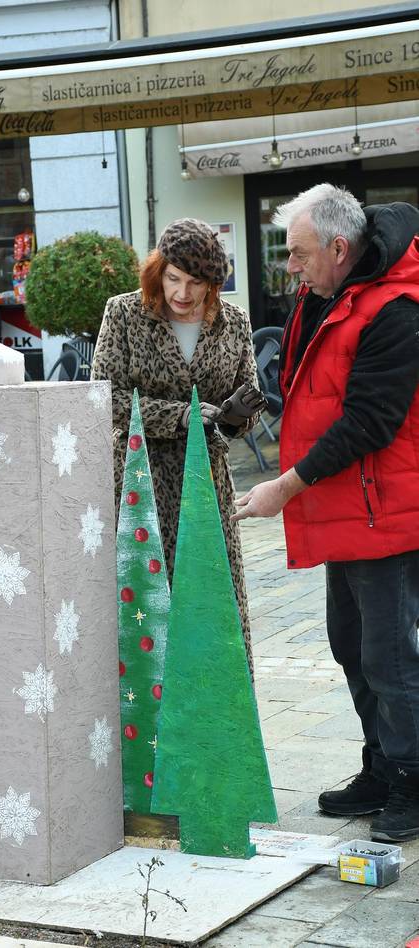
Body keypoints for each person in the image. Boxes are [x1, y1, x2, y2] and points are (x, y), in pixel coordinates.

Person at [233, 184, 419, 842]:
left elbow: (368, 422)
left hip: (387, 514)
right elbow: (303, 390)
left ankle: (411, 782)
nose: (289, 266)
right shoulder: (328, 296)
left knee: (391, 659)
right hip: (347, 511)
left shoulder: (397, 307)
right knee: (350, 647)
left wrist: (283, 487)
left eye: (298, 252)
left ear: (341, 249)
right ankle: (381, 765)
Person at [91, 218, 265, 670]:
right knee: (149, 603)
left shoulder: (234, 322)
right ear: (158, 271)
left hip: (207, 480)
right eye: (173, 278)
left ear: (213, 283)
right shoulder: (125, 313)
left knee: (212, 598)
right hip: (140, 480)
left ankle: (217, 713)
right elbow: (104, 397)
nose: (182, 293)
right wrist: (180, 416)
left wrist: (237, 418)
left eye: (195, 283)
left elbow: (247, 389)